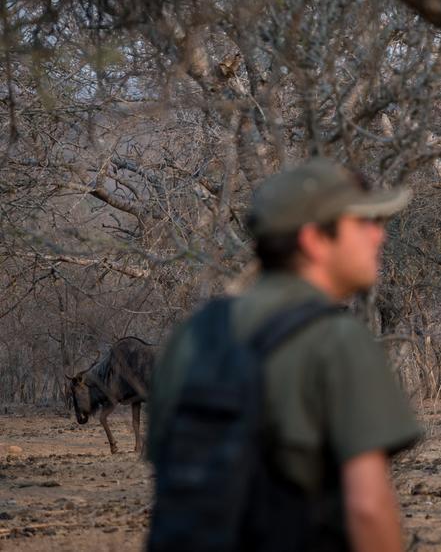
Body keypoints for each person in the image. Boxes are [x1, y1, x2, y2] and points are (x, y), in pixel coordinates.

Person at [147, 159, 421, 552]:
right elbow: (368, 509)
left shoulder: (192, 335)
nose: (380, 237)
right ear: (314, 240)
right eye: (363, 223)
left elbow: (170, 480)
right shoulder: (336, 338)